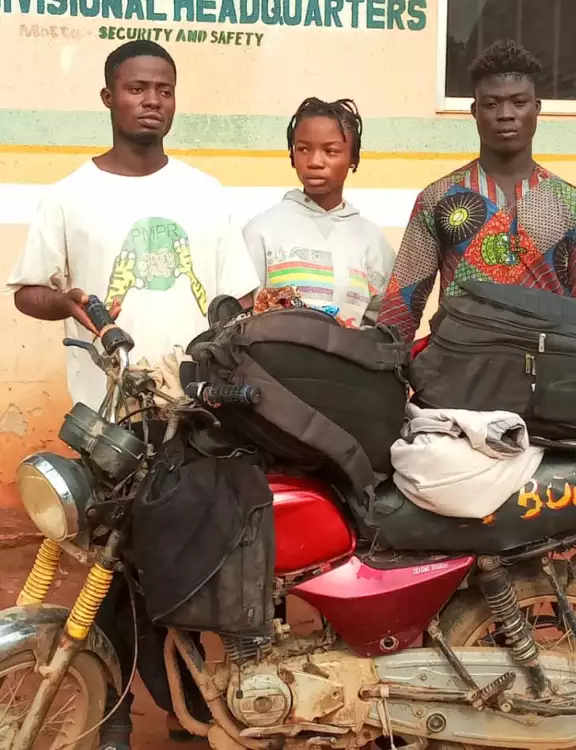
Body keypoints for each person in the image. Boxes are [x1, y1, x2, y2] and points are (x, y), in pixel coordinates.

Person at [6, 40, 259, 749]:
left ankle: (190, 709)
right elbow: (29, 290)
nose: (152, 99)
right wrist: (76, 304)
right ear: (108, 98)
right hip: (108, 426)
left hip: (192, 420)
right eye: (137, 87)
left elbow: (233, 298)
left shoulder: (205, 194)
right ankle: (115, 719)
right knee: (109, 578)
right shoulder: (67, 195)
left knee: (186, 572)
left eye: (164, 89)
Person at [379, 39, 576, 343]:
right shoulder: (439, 199)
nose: (505, 114)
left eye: (519, 102)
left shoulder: (570, 203)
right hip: (460, 378)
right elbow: (401, 307)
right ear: (475, 111)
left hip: (548, 381)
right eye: (491, 104)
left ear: (536, 108)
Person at [243, 97, 396, 328]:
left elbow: (384, 324)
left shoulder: (371, 241)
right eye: (304, 149)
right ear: (292, 155)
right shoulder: (261, 231)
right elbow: (241, 317)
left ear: (353, 158)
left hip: (348, 363)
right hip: (272, 364)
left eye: (331, 151)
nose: (315, 161)